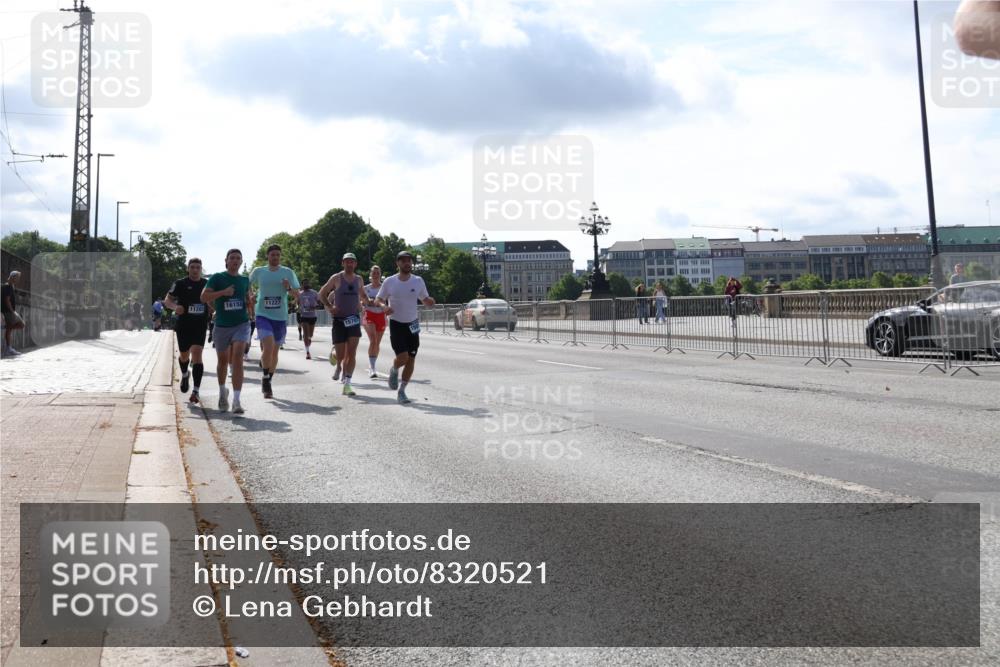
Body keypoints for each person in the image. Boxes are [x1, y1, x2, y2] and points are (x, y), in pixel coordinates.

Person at [375, 251, 435, 404]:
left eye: (409, 261)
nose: (407, 263)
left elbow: (424, 299)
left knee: (411, 359)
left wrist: (429, 301)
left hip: (412, 324)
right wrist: (384, 307)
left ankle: (402, 391)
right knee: (403, 357)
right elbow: (378, 299)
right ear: (398, 263)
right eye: (403, 261)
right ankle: (394, 369)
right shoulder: (390, 281)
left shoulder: (418, 281)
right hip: (396, 323)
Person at [202, 248, 253, 414]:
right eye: (232, 258)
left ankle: (237, 401)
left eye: (238, 258)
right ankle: (223, 392)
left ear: (241, 261)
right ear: (226, 261)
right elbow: (204, 297)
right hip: (222, 325)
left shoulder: (245, 280)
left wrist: (250, 302)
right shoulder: (217, 278)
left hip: (241, 324)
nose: (235, 261)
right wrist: (223, 293)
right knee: (223, 361)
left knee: (237, 358)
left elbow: (248, 298)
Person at [248, 244, 300, 400]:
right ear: (268, 256)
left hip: (280, 316)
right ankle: (265, 378)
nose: (275, 257)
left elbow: (297, 294)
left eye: (278, 254)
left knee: (274, 352)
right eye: (273, 255)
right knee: (268, 346)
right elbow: (246, 284)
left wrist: (288, 288)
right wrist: (250, 296)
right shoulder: (259, 271)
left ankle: (269, 379)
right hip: (262, 314)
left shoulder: (287, 272)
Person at [319, 252, 366, 397]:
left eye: (352, 262)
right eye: (347, 262)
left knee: (351, 353)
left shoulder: (359, 279)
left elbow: (363, 294)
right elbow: (321, 294)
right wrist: (330, 307)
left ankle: (347, 383)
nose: (349, 264)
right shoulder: (336, 278)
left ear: (355, 264)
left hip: (353, 320)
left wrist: (366, 302)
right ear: (343, 263)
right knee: (341, 355)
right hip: (339, 320)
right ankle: (336, 358)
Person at [165, 258, 211, 404]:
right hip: (184, 325)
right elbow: (167, 300)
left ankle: (196, 391)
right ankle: (185, 374)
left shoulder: (206, 284)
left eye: (198, 267)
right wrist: (175, 307)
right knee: (184, 356)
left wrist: (213, 309)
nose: (195, 270)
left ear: (201, 269)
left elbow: (213, 301)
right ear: (188, 268)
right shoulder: (180, 283)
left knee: (197, 354)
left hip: (200, 325)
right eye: (192, 267)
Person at [362, 265, 387, 378]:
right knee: (373, 340)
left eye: (378, 273)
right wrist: (366, 302)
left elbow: (389, 300)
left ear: (380, 275)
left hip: (381, 316)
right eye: (374, 273)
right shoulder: (365, 288)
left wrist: (382, 304)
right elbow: (360, 301)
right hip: (369, 315)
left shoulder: (384, 288)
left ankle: (373, 363)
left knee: (377, 343)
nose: (376, 275)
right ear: (370, 275)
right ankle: (372, 368)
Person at [2, 271, 25, 357]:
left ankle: (8, 348)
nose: (18, 279)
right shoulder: (8, 286)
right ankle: (8, 349)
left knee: (20, 325)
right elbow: (7, 300)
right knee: (20, 325)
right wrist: (12, 311)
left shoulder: (10, 286)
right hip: (8, 312)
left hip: (9, 311)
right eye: (17, 277)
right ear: (12, 277)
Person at [297, 280, 320, 360]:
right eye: (304, 284)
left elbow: (319, 303)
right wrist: (299, 308)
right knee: (306, 334)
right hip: (304, 316)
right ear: (302, 285)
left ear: (309, 284)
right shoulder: (300, 294)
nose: (306, 285)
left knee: (310, 334)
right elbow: (298, 303)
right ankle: (307, 352)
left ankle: (309, 338)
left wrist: (314, 307)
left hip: (312, 316)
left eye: (307, 283)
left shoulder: (314, 293)